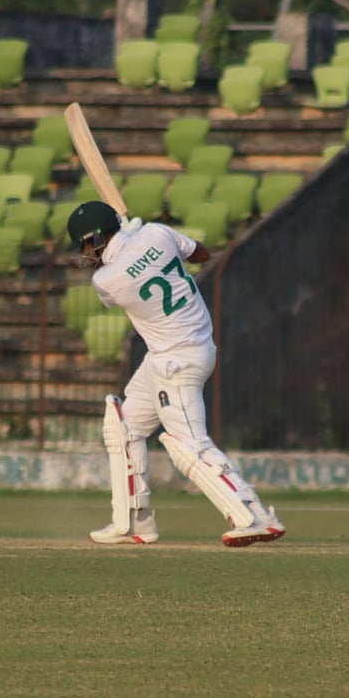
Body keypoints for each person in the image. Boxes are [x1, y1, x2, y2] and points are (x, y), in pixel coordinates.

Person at [66, 201, 285, 547]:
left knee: (189, 446)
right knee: (124, 427)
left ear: (97, 238)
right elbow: (201, 254)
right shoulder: (157, 233)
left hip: (176, 362)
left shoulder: (106, 280)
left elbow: (122, 270)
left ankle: (255, 517)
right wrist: (140, 234)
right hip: (183, 350)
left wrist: (130, 239)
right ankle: (134, 523)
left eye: (85, 244)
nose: (84, 253)